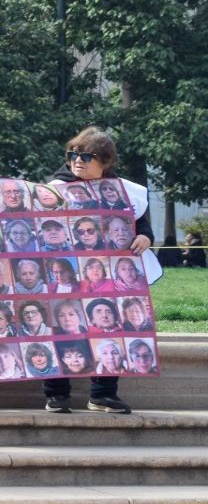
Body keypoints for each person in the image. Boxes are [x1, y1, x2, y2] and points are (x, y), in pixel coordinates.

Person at [41, 128, 153, 416]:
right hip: (65, 274)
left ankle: (103, 395)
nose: (77, 161)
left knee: (110, 327)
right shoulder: (55, 187)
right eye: (73, 154)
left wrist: (145, 238)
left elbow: (142, 225)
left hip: (108, 275)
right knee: (62, 327)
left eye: (86, 156)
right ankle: (57, 395)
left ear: (105, 161)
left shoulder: (125, 191)